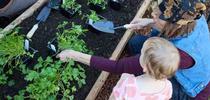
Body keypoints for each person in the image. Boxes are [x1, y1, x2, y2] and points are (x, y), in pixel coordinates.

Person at [57, 0, 210, 99]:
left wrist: (73, 54)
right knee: (135, 43)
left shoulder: (179, 54)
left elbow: (117, 67)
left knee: (140, 55)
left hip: (193, 89)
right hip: (185, 61)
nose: (153, 14)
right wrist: (148, 22)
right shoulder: (192, 17)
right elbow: (170, 26)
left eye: (157, 17)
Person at [109, 37, 180, 100]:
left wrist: (122, 78)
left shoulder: (128, 84)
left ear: (145, 67)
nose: (140, 55)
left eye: (142, 54)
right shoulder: (168, 86)